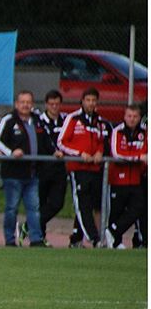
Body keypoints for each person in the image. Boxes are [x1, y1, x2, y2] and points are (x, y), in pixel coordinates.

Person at [0, 91, 48, 247]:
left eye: (28, 102)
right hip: (13, 173)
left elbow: (46, 139)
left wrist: (54, 151)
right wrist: (12, 152)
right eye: (22, 102)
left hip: (32, 173)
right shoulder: (9, 120)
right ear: (16, 104)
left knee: (34, 208)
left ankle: (36, 239)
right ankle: (10, 239)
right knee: (11, 208)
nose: (25, 105)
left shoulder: (37, 120)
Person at [58, 88, 106, 248]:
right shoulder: (73, 118)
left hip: (94, 169)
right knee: (82, 203)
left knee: (91, 204)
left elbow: (100, 142)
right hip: (78, 168)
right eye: (88, 100)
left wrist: (99, 152)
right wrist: (80, 154)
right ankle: (94, 238)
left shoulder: (98, 121)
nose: (91, 103)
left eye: (94, 100)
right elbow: (61, 142)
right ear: (82, 101)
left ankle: (76, 238)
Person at [104, 104, 148, 249]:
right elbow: (117, 153)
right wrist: (137, 157)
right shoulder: (118, 131)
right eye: (129, 116)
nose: (132, 119)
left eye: (135, 116)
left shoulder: (145, 133)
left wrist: (140, 158)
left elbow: (146, 152)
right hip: (118, 178)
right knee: (116, 210)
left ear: (139, 118)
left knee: (139, 207)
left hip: (136, 178)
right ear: (124, 117)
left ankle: (113, 231)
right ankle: (115, 242)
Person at [36, 90, 68, 244]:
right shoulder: (39, 121)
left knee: (57, 203)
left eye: (57, 104)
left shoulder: (66, 120)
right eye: (51, 104)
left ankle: (29, 225)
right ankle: (39, 236)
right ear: (46, 104)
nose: (54, 107)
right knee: (41, 202)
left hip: (59, 169)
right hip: (43, 168)